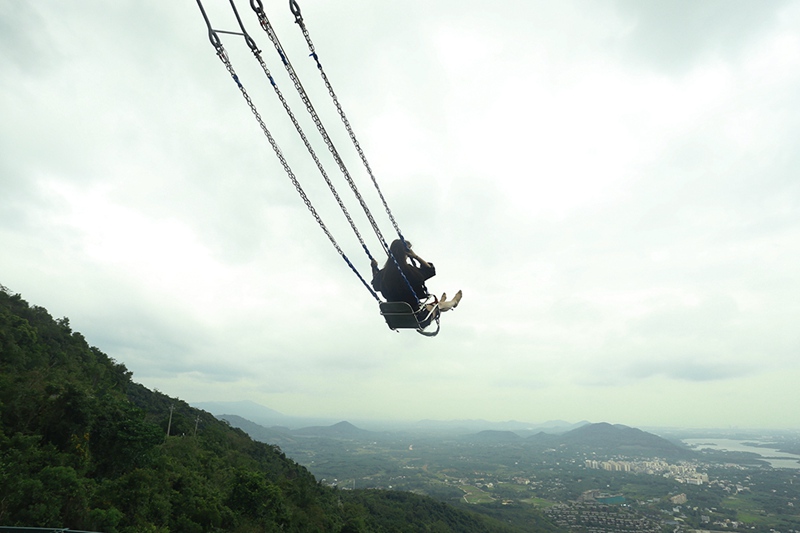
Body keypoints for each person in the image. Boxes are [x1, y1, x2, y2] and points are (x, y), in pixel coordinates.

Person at [371, 239, 462, 317]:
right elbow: (430, 270)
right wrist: (415, 257)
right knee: (438, 306)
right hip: (416, 316)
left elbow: (375, 285)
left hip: (395, 317)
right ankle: (453, 302)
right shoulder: (409, 272)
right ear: (405, 253)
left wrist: (374, 268)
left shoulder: (384, 274)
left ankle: (440, 302)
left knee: (436, 307)